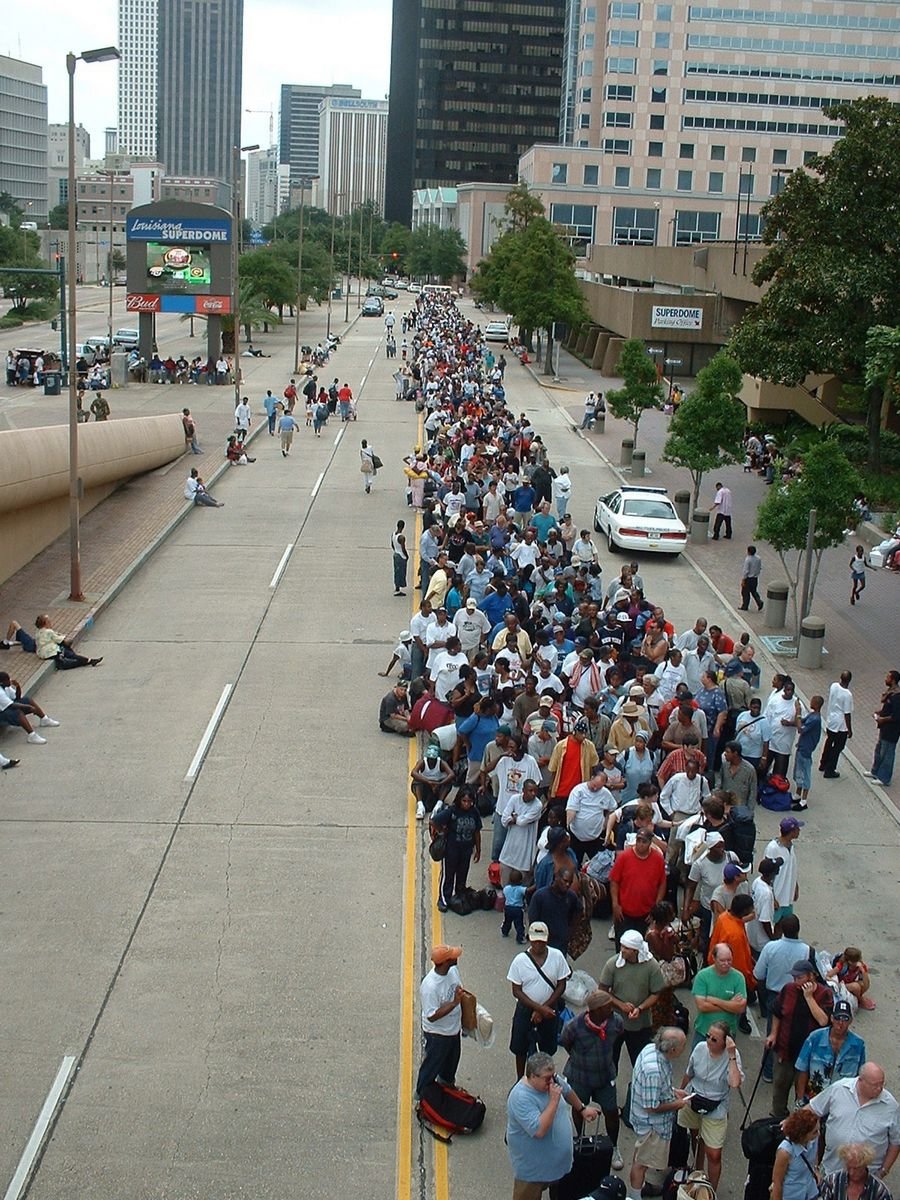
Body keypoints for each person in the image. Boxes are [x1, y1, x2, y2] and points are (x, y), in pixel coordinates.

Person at [506, 1051, 600, 1200]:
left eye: (553, 1077)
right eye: (546, 1079)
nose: (552, 1082)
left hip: (558, 1166)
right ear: (532, 1076)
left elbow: (567, 1090)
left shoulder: (552, 1080)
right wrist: (554, 1100)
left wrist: (582, 1109)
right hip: (533, 1172)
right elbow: (539, 1130)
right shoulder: (520, 1097)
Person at [561, 989, 626, 1170]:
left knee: (611, 1111)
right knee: (578, 1108)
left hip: (605, 1077)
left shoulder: (616, 1022)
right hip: (580, 1076)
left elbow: (618, 1036)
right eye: (607, 1007)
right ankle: (579, 1140)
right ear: (595, 1010)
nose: (611, 1009)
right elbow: (566, 1042)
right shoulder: (574, 1026)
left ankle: (614, 1147)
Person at [677, 1019, 744, 1189]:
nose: (709, 1041)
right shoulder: (700, 1049)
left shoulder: (732, 1057)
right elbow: (689, 1073)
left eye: (714, 1039)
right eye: (708, 1036)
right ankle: (698, 1174)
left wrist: (731, 1054)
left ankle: (711, 1190)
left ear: (725, 1042)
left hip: (716, 1105)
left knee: (714, 1154)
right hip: (694, 1097)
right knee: (695, 1136)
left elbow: (735, 1082)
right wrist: (680, 1092)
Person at [628, 1027, 690, 1200]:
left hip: (647, 1121)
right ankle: (635, 1196)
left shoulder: (651, 1049)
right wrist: (677, 1104)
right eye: (683, 1045)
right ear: (673, 1049)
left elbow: (657, 1089)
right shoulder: (653, 1070)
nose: (685, 1048)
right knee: (641, 1163)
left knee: (641, 1157)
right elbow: (651, 1106)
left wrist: (673, 1091)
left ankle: (639, 1188)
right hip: (651, 1126)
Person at [767, 960, 834, 1118]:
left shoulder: (825, 994)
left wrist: (809, 997)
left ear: (812, 976)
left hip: (810, 1057)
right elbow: (777, 1012)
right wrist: (773, 1034)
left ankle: (800, 1123)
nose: (796, 980)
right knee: (779, 1090)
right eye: (794, 977)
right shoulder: (788, 989)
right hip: (785, 1051)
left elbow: (824, 1021)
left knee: (804, 1094)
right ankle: (778, 1119)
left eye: (800, 977)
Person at [811, 1064, 900, 1179]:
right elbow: (813, 1109)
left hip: (866, 1178)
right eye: (875, 1085)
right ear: (860, 1080)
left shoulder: (890, 1106)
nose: (879, 1089)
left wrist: (883, 1171)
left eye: (882, 1084)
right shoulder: (839, 1089)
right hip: (830, 1171)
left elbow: (896, 1142)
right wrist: (814, 1165)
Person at [507, 922, 571, 1080]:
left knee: (547, 1048)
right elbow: (516, 990)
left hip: (550, 1009)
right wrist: (539, 1009)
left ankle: (545, 1078)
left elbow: (561, 984)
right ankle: (520, 1079)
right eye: (535, 940)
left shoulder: (557, 956)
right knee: (520, 1048)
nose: (538, 944)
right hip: (525, 1010)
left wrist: (545, 1008)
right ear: (529, 939)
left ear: (547, 939)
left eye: (541, 941)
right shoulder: (520, 961)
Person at [598, 929, 665, 1068]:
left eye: (627, 948)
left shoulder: (652, 966)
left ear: (636, 951)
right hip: (614, 1022)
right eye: (622, 946)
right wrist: (620, 1005)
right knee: (609, 1061)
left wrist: (640, 1008)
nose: (622, 950)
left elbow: (656, 994)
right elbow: (602, 991)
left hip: (640, 1024)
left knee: (641, 1062)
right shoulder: (613, 964)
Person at [794, 999, 867, 1103]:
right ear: (832, 1018)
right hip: (813, 1098)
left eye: (845, 1019)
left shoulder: (859, 1045)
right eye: (837, 1018)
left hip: (842, 1100)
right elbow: (802, 1070)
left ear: (850, 1021)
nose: (840, 1023)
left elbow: (860, 1077)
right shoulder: (814, 1038)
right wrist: (800, 1100)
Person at [416, 944, 464, 1097]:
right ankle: (422, 1093)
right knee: (432, 1065)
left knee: (451, 1062)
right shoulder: (430, 986)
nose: (456, 958)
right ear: (444, 963)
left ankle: (447, 1086)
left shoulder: (453, 971)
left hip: (453, 1030)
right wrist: (454, 1003)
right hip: (438, 1034)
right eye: (452, 958)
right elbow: (432, 1015)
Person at [608, 829, 666, 944]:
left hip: (646, 914)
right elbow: (614, 881)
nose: (640, 844)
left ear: (650, 843)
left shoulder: (658, 859)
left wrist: (655, 908)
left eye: (644, 841)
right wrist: (615, 904)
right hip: (624, 914)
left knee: (641, 946)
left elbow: (662, 884)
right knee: (622, 946)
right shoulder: (624, 857)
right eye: (638, 840)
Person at [432, 786, 482, 910]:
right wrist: (442, 832)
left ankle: (459, 897)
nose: (467, 804)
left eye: (469, 802)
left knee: (462, 874)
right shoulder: (452, 811)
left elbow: (477, 831)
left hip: (466, 850)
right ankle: (444, 899)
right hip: (451, 850)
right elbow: (434, 821)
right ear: (459, 800)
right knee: (448, 876)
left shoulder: (474, 812)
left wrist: (478, 849)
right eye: (464, 801)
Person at [692, 942, 748, 1043]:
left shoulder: (739, 977)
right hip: (704, 1031)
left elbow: (740, 1008)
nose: (726, 964)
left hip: (727, 1033)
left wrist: (714, 1000)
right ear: (713, 958)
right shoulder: (702, 976)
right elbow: (702, 1006)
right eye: (722, 960)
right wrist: (730, 1005)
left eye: (729, 960)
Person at [770, 1106, 822, 1200]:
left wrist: (816, 1169)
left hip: (811, 1192)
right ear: (802, 1134)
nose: (818, 1134)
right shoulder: (785, 1152)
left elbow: (815, 1155)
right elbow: (777, 1182)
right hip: (792, 1195)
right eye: (814, 1132)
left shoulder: (814, 1140)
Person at [819, 1142, 894, 1200]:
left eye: (856, 1168)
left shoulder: (879, 1190)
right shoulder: (831, 1182)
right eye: (848, 1168)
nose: (851, 1172)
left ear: (865, 1165)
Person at [0, 673, 60, 744]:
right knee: (17, 712)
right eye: (7, 680)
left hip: (7, 707)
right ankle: (32, 736)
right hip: (2, 714)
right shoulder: (0, 692)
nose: (10, 680)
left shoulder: (6, 687)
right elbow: (12, 705)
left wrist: (18, 686)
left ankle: (44, 719)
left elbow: (17, 698)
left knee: (27, 700)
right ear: (1, 683)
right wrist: (29, 707)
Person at [866, 670, 900, 786]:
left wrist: (882, 719)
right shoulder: (891, 692)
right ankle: (875, 771)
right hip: (884, 728)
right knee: (879, 750)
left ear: (893, 680)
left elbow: (896, 716)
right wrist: (880, 712)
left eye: (888, 677)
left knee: (887, 753)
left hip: (891, 731)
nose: (886, 679)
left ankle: (884, 778)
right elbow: (887, 708)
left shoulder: (897, 696)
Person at [819, 671, 854, 779]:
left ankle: (823, 763)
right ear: (849, 680)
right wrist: (849, 729)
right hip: (840, 725)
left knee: (829, 742)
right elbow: (847, 713)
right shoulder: (848, 695)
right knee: (838, 747)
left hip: (831, 720)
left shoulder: (834, 686)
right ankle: (830, 769)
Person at [32, 614, 101, 668]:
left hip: (43, 653)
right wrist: (67, 640)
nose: (50, 623)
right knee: (69, 655)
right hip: (51, 652)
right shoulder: (48, 631)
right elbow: (59, 640)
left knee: (69, 654)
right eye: (49, 622)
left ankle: (89, 660)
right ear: (45, 623)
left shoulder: (38, 632)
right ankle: (88, 661)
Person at [410, 742, 455, 822]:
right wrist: (428, 782)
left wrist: (439, 784)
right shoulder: (422, 762)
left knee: (448, 783)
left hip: (437, 788)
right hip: (425, 787)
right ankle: (420, 806)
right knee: (416, 781)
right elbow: (413, 773)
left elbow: (451, 774)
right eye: (429, 759)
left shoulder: (441, 763)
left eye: (433, 759)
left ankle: (438, 805)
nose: (431, 761)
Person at [793, 695, 823, 810]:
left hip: (806, 749)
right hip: (802, 747)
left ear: (816, 704)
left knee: (805, 773)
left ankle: (804, 800)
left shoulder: (815, 719)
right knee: (798, 771)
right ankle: (797, 794)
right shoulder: (812, 715)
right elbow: (799, 722)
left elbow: (801, 728)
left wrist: (799, 711)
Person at [502, 868, 527, 944]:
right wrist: (535, 885)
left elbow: (504, 896)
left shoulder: (506, 888)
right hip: (517, 909)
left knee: (507, 921)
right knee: (519, 924)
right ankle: (520, 938)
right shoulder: (520, 889)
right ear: (520, 881)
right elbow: (528, 890)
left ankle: (504, 931)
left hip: (508, 908)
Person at [740, 545, 764, 611]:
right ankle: (759, 602)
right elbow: (760, 567)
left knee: (745, 593)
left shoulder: (748, 559)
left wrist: (743, 579)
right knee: (754, 591)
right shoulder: (758, 558)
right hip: (755, 578)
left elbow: (746, 571)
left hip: (748, 578)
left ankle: (745, 606)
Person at [392, 520, 409, 597]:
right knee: (401, 572)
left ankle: (397, 587)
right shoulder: (401, 537)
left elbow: (392, 545)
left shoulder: (393, 535)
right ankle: (398, 589)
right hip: (401, 556)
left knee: (396, 571)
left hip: (395, 554)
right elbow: (403, 548)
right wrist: (406, 556)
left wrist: (395, 550)